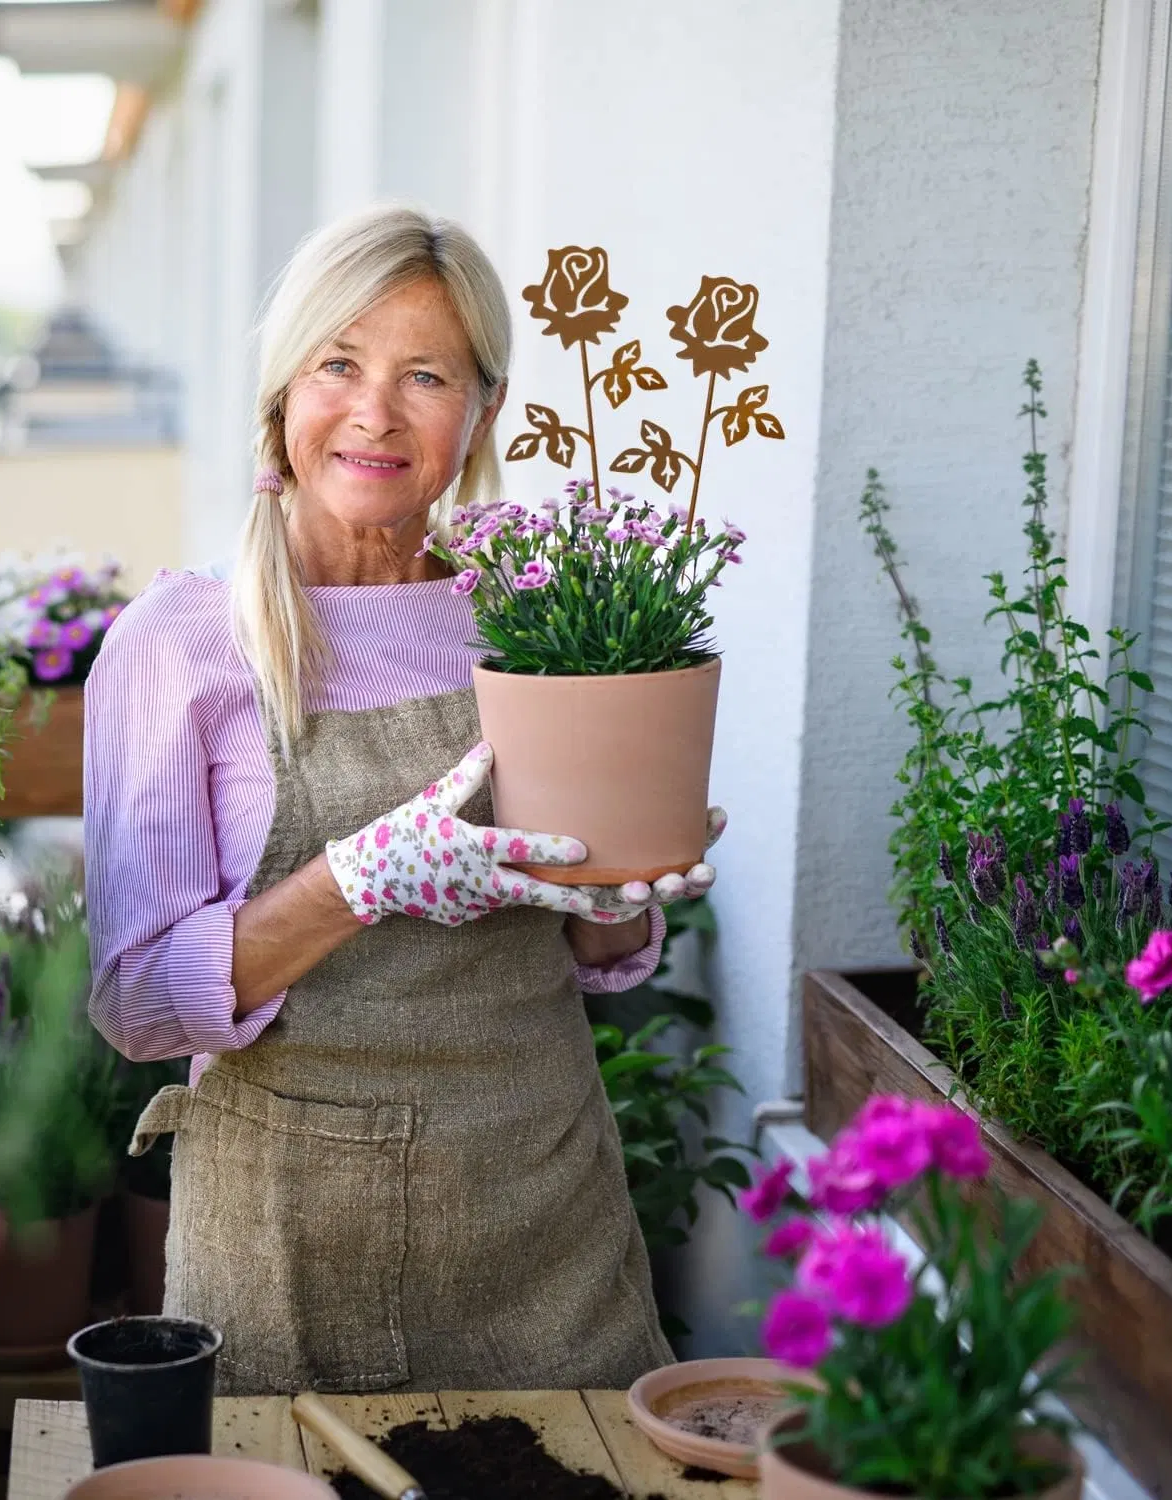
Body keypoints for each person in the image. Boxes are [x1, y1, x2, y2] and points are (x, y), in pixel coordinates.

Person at [83, 204, 725, 1396]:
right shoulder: (181, 646)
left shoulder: (532, 619)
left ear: (479, 410)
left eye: (423, 374)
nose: (375, 412)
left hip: (546, 1216)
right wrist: (354, 884)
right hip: (291, 1238)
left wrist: (629, 892)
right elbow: (132, 1005)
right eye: (340, 363)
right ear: (283, 392)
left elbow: (588, 941)